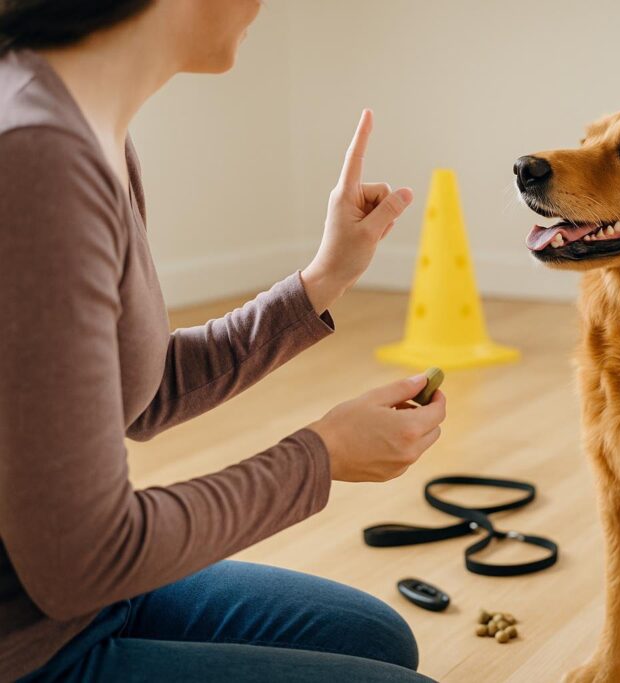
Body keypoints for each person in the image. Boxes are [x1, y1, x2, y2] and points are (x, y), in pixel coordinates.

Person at [0, 1, 446, 680]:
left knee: (376, 637)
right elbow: (81, 559)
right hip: (28, 646)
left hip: (74, 605)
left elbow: (137, 392)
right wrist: (321, 456)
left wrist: (322, 280)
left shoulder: (87, 124)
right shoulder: (37, 160)